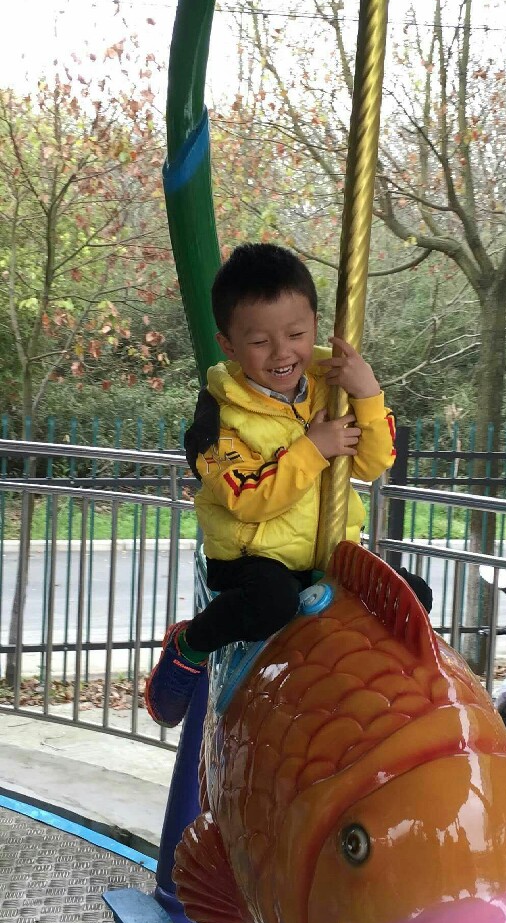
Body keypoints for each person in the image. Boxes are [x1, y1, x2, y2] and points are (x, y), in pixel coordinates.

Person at [145, 242, 397, 727]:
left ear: (315, 326)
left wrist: (368, 395)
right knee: (271, 602)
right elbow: (247, 500)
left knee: (408, 595)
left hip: (326, 553)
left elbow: (371, 465)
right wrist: (313, 448)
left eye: (296, 334)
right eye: (261, 341)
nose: (283, 353)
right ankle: (190, 646)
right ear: (229, 345)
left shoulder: (333, 386)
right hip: (253, 560)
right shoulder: (219, 417)